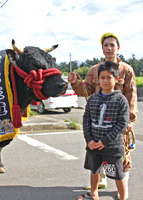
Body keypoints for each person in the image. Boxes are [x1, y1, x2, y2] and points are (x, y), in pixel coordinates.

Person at [68, 32, 137, 199]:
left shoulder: (126, 69)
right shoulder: (94, 70)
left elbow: (131, 94)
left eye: (112, 45)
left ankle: (123, 188)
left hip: (118, 122)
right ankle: (100, 182)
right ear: (102, 48)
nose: (109, 48)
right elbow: (87, 91)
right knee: (97, 155)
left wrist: (130, 120)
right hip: (99, 121)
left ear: (118, 48)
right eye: (106, 45)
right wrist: (75, 83)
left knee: (121, 156)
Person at [77, 61, 129, 200]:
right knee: (95, 170)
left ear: (116, 79)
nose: (105, 81)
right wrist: (89, 140)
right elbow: (86, 120)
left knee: (117, 173)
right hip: (93, 146)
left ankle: (123, 197)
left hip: (112, 147)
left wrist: (105, 141)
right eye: (102, 77)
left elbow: (122, 124)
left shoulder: (121, 100)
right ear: (98, 79)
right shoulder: (93, 99)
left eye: (109, 77)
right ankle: (94, 193)